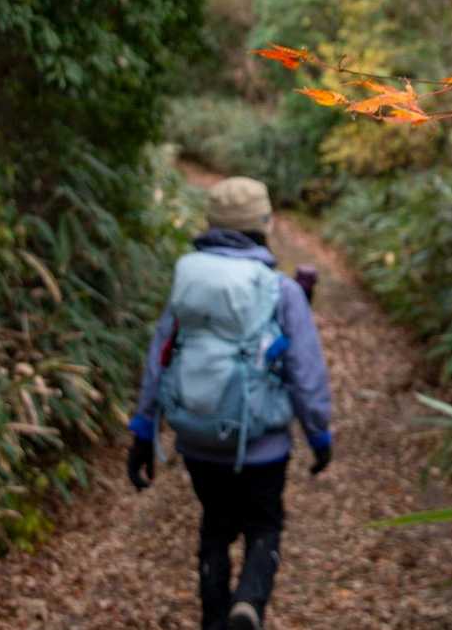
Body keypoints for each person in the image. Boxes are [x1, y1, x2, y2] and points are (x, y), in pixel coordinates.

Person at [126, 176, 333, 630]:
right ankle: (249, 604)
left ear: (211, 224)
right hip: (264, 446)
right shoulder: (281, 290)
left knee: (216, 527)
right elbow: (306, 371)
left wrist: (144, 430)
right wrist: (319, 434)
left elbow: (162, 354)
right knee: (264, 525)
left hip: (199, 439)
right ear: (265, 223)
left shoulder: (188, 281)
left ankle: (215, 620)